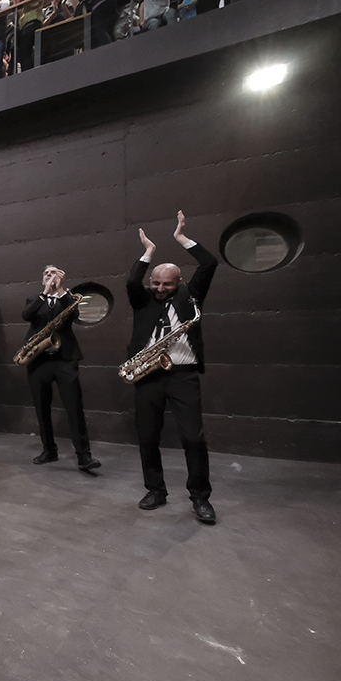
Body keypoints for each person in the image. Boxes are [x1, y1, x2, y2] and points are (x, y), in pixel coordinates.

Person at [126, 211, 218, 524]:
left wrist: (181, 238)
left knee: (193, 438)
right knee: (148, 435)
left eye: (166, 283)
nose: (160, 288)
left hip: (183, 374)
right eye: (156, 283)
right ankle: (155, 489)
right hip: (148, 374)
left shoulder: (191, 295)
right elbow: (130, 280)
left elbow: (210, 263)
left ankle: (200, 497)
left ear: (178, 282)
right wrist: (148, 253)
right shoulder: (143, 298)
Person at [21, 265, 101, 471]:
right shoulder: (34, 299)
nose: (50, 276)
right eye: (46, 273)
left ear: (61, 277)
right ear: (42, 279)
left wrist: (61, 290)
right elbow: (26, 315)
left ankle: (84, 456)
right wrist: (45, 292)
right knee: (41, 408)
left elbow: (74, 314)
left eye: (54, 273)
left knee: (74, 407)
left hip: (64, 359)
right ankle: (49, 450)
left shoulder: (69, 298)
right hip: (38, 359)